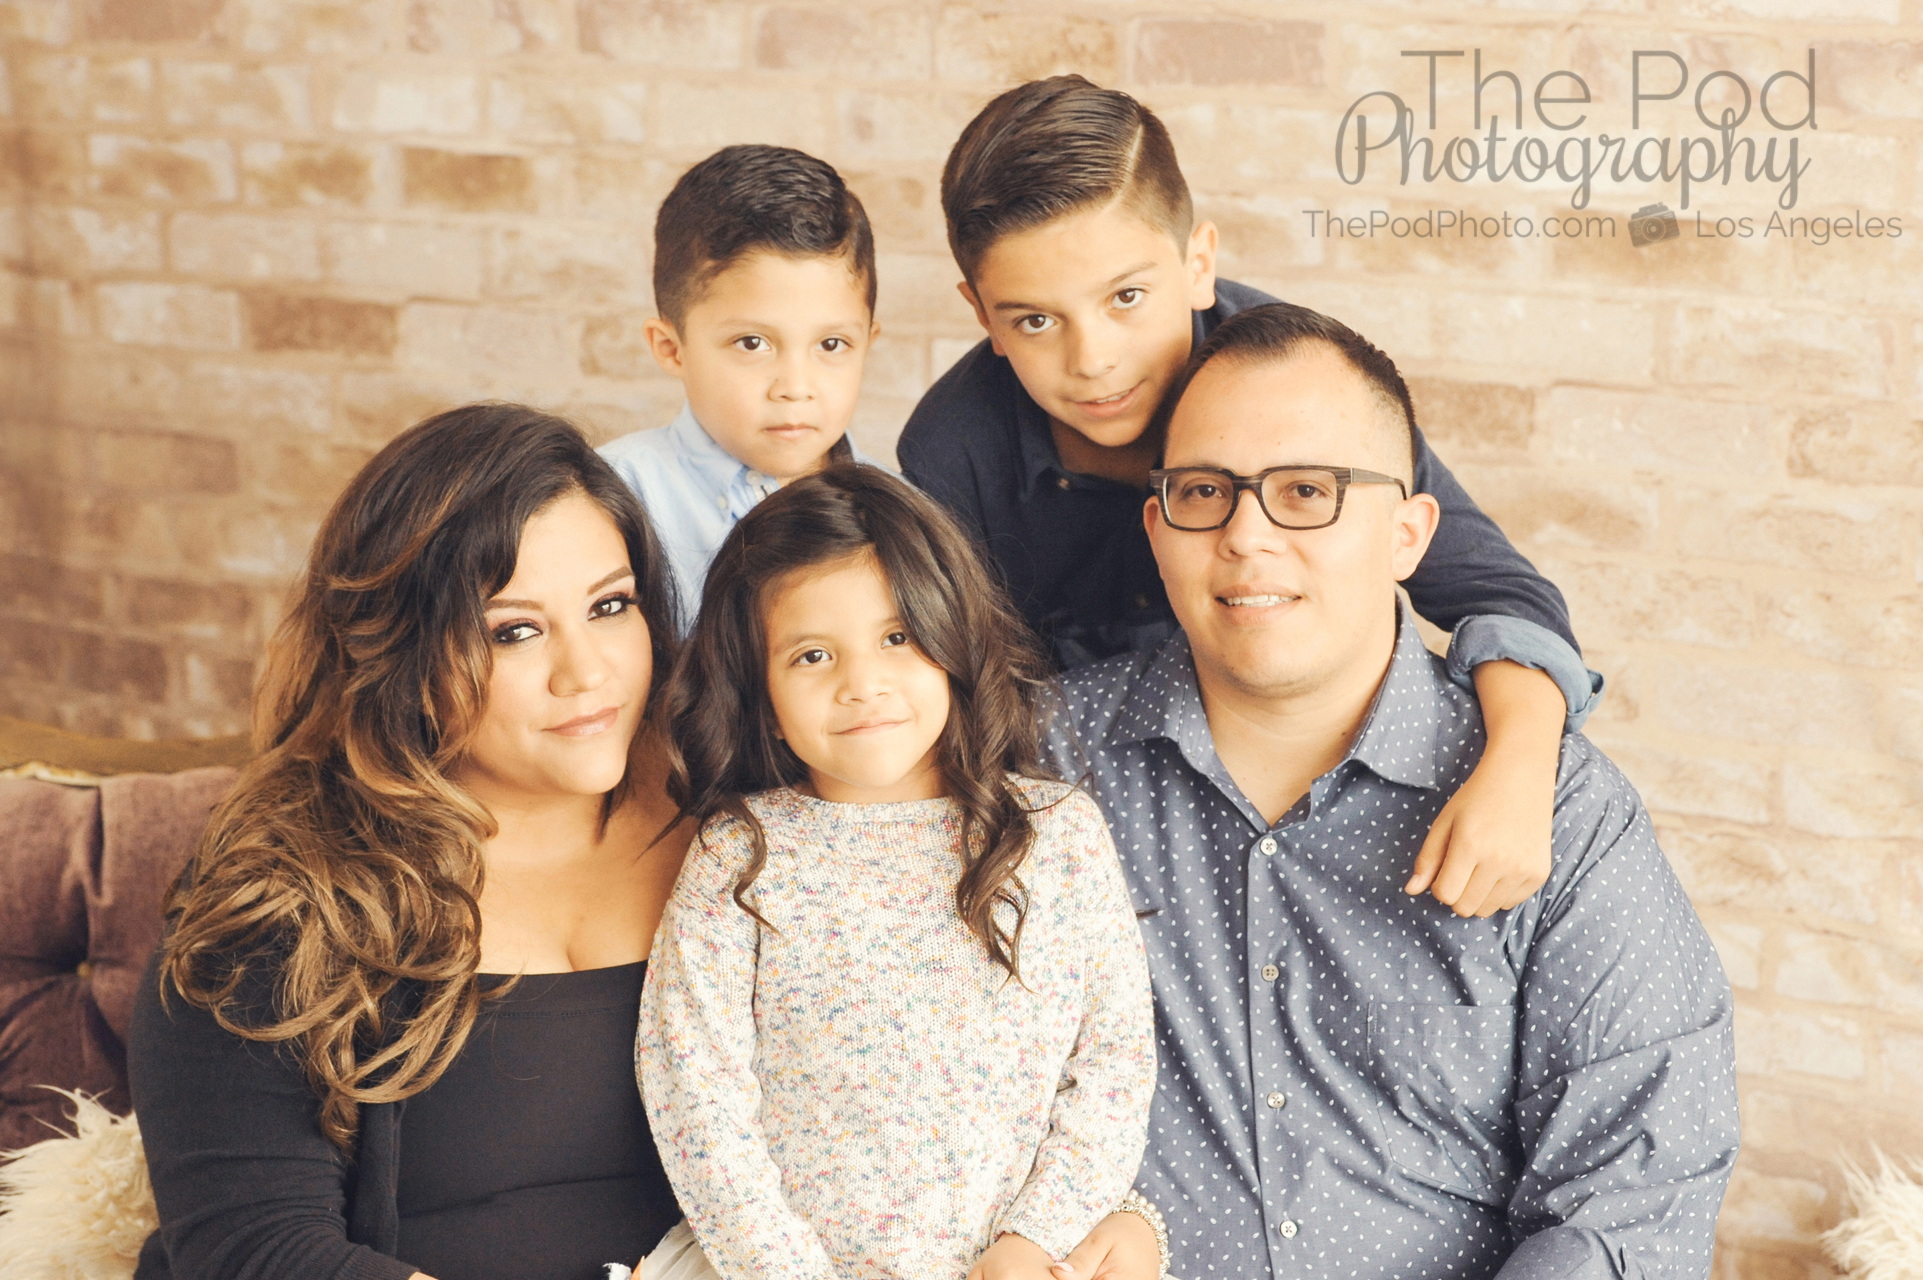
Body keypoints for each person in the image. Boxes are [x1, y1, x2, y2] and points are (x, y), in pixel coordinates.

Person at [1041, 303, 1739, 1280]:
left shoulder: (1560, 810)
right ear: (1158, 526)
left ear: (1409, 532)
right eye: (1206, 490)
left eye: (1306, 490)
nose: (1246, 534)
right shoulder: (1042, 765)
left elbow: (1633, 1193)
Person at [899, 74, 1592, 918]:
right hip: (1095, 824)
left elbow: (1500, 593)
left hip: (1316, 792)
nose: (1092, 360)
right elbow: (975, 701)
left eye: (1126, 297)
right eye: (1035, 321)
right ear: (980, 314)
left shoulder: (1298, 383)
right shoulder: (952, 449)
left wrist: (1521, 770)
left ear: (1197, 264)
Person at [129, 406, 693, 1280]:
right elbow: (253, 1249)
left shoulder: (745, 823)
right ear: (405, 650)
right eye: (513, 630)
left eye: (609, 606)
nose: (588, 674)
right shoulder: (288, 888)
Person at [637, 466, 1159, 1280]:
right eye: (812, 655)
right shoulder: (739, 854)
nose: (862, 685)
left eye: (896, 637)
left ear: (951, 638)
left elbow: (1115, 1064)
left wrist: (1033, 1239)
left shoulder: (1056, 834)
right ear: (761, 689)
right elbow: (693, 1093)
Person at [598, 144, 884, 624]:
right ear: (671, 348)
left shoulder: (899, 511)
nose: (795, 388)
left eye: (832, 345)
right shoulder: (611, 498)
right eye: (752, 343)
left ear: (867, 344)